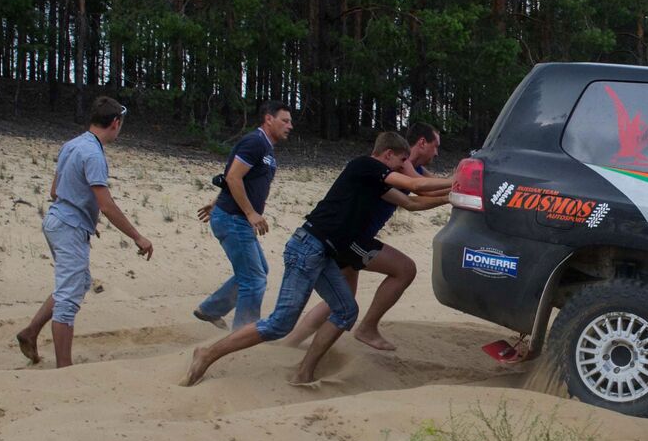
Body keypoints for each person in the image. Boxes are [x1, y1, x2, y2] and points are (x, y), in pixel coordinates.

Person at [180, 132, 452, 387]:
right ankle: (207, 353)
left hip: (324, 252)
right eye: (402, 161)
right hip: (308, 248)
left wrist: (452, 196)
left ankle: (304, 371)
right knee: (279, 323)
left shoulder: (373, 180)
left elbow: (414, 201)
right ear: (388, 154)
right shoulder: (365, 166)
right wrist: (458, 180)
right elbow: (415, 185)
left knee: (346, 311)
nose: (404, 167)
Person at [281, 123, 449, 351]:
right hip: (352, 239)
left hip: (345, 238)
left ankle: (289, 344)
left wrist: (453, 194)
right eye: (435, 146)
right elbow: (418, 189)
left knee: (342, 299)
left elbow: (417, 195)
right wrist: (458, 185)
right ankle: (366, 328)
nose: (437, 152)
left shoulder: (400, 169)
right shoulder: (390, 165)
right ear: (421, 143)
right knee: (405, 269)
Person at [15, 97, 154, 367]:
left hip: (57, 220)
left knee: (75, 283)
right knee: (68, 299)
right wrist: (138, 236)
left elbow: (55, 191)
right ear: (115, 123)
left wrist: (84, 217)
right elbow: (106, 203)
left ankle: (30, 332)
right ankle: (64, 370)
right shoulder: (93, 154)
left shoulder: (73, 144)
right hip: (68, 226)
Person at [191, 101, 294, 330]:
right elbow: (233, 177)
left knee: (258, 272)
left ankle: (210, 309)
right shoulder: (255, 142)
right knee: (254, 279)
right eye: (285, 120)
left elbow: (236, 176)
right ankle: (244, 335)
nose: (290, 126)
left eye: (290, 121)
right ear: (269, 119)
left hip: (232, 217)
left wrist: (216, 202)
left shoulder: (265, 146)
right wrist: (250, 213)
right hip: (234, 219)